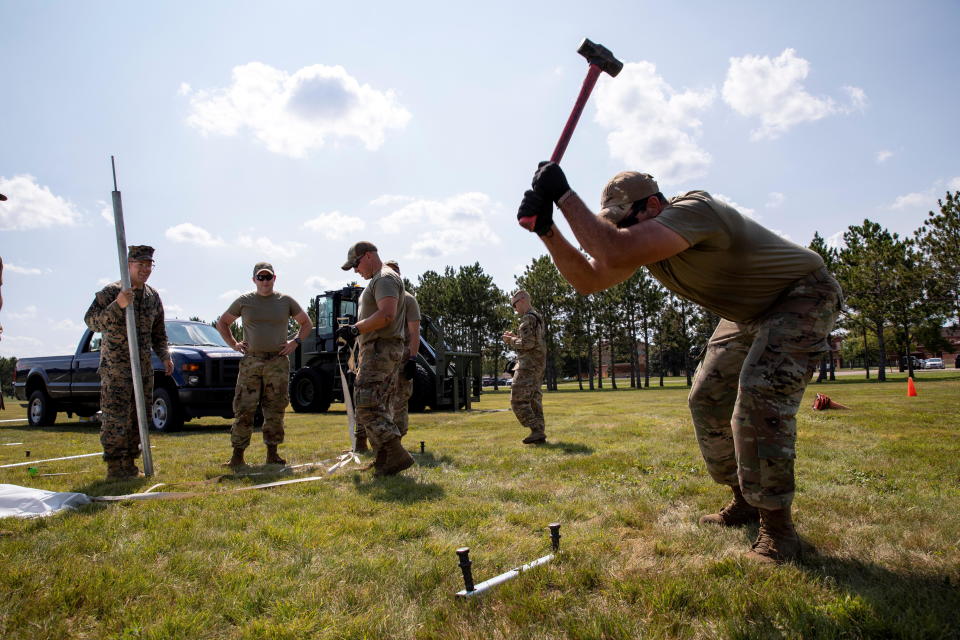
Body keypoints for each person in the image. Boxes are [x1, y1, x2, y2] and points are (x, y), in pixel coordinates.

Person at [517, 163, 842, 564]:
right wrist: (547, 229)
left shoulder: (694, 209)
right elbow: (588, 279)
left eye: (623, 222)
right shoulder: (637, 239)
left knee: (760, 401)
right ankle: (744, 499)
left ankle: (778, 532)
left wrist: (564, 197)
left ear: (653, 205)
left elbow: (612, 247)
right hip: (747, 313)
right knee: (706, 399)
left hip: (801, 294)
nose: (617, 231)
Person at [84, 245, 173, 480]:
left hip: (143, 368)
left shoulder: (152, 296)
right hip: (117, 369)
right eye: (140, 264)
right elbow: (92, 322)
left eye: (149, 265)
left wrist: (165, 355)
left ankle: (131, 465)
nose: (145, 269)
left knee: (138, 417)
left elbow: (159, 333)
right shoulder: (113, 291)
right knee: (115, 417)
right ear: (129, 265)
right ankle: (115, 467)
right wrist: (118, 305)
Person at [216, 262, 312, 468]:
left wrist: (295, 342)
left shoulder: (285, 301)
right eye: (261, 277)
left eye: (268, 277)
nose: (265, 281)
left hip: (277, 362)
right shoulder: (244, 301)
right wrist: (233, 344)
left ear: (274, 278)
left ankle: (272, 454)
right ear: (254, 280)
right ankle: (238, 456)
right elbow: (223, 322)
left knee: (275, 408)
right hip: (251, 361)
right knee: (244, 408)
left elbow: (306, 323)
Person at [337, 241, 414, 476]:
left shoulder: (384, 278)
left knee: (367, 403)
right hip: (381, 348)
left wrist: (354, 329)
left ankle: (396, 451)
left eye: (356, 264)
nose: (355, 270)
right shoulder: (380, 279)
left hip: (380, 349)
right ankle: (384, 459)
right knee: (380, 403)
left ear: (368, 256)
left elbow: (387, 315)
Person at [502, 290, 547, 444]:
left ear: (521, 300)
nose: (514, 309)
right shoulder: (537, 316)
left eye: (514, 305)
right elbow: (533, 341)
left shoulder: (527, 318)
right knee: (534, 399)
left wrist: (511, 341)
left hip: (528, 365)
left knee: (517, 400)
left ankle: (535, 429)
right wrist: (516, 338)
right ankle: (539, 432)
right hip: (538, 364)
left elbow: (528, 344)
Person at [384, 259, 421, 442]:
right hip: (382, 358)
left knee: (399, 401)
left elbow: (415, 333)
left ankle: (397, 441)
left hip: (402, 359)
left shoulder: (407, 299)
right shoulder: (379, 297)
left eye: (394, 272)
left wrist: (413, 359)